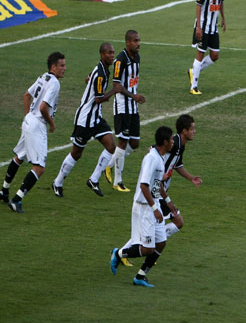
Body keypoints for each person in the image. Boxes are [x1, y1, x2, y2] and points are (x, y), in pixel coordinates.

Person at [119, 115, 201, 267]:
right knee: (176, 222)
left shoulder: (180, 146)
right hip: (156, 192)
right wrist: (158, 172)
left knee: (167, 227)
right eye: (192, 129)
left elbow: (177, 165)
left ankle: (147, 250)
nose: (194, 132)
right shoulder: (174, 143)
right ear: (184, 131)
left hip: (159, 191)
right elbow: (153, 149)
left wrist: (191, 178)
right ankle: (124, 252)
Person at [109, 126, 177, 288]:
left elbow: (157, 183)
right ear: (165, 142)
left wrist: (167, 200)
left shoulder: (160, 158)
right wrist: (154, 209)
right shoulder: (151, 158)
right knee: (147, 249)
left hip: (154, 205)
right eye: (172, 140)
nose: (173, 142)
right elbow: (144, 185)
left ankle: (140, 276)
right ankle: (119, 253)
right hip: (145, 208)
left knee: (161, 243)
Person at [2, 52, 66, 213]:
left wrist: (27, 117)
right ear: (54, 67)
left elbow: (26, 95)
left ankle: (4, 190)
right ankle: (16, 200)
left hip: (29, 120)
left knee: (20, 157)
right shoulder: (55, 83)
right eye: (62, 65)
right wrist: (51, 123)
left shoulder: (43, 77)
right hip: (37, 125)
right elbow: (44, 107)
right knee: (40, 167)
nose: (65, 68)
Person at [52, 43, 118, 198]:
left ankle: (94, 180)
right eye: (109, 53)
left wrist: (91, 82)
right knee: (77, 153)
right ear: (102, 54)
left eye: (113, 53)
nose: (112, 55)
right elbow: (98, 99)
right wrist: (115, 90)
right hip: (85, 119)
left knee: (111, 145)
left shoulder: (102, 69)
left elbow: (88, 78)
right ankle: (58, 182)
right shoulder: (101, 72)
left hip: (96, 118)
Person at [105, 30, 146, 192]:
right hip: (122, 106)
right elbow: (116, 86)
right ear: (128, 42)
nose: (138, 43)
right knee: (122, 142)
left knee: (135, 142)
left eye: (139, 40)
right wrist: (132, 95)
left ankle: (109, 164)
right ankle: (117, 181)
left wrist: (135, 97)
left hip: (133, 106)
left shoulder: (137, 58)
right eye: (135, 41)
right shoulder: (120, 60)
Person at [188, 0, 226, 95]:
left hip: (213, 27)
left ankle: (193, 71)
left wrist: (223, 18)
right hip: (203, 27)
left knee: (215, 55)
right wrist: (198, 27)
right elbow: (198, 5)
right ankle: (194, 87)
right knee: (200, 53)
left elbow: (220, 2)